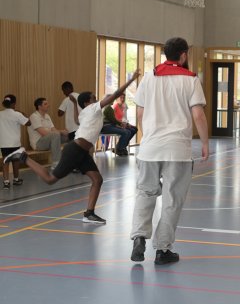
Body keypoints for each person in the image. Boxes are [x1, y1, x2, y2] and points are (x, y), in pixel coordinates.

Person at [3, 69, 141, 224]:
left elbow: (76, 119)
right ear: (87, 103)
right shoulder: (92, 109)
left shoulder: (85, 113)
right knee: (50, 179)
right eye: (94, 98)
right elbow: (114, 95)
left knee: (97, 180)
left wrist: (75, 104)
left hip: (82, 152)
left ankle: (89, 214)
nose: (97, 100)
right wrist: (131, 80)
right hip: (75, 150)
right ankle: (23, 157)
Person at [130, 37, 209, 265]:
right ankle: (163, 249)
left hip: (149, 148)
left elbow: (140, 114)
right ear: (183, 55)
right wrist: (205, 143)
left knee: (145, 193)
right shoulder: (191, 79)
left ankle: (138, 236)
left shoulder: (149, 77)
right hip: (177, 150)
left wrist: (148, 137)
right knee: (172, 199)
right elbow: (198, 115)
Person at [28, 97, 69, 168]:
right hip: (38, 144)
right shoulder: (34, 116)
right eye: (45, 104)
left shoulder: (47, 116)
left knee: (68, 136)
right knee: (55, 135)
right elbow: (43, 133)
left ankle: (71, 160)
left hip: (50, 140)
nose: (48, 105)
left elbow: (54, 129)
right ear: (39, 106)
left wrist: (63, 132)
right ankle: (56, 163)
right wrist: (61, 131)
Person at [0, 95, 30, 189]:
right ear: (14, 103)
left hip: (4, 143)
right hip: (15, 143)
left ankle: (6, 182)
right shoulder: (17, 114)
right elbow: (28, 123)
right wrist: (23, 113)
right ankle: (16, 179)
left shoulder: (0, 114)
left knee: (5, 161)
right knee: (16, 160)